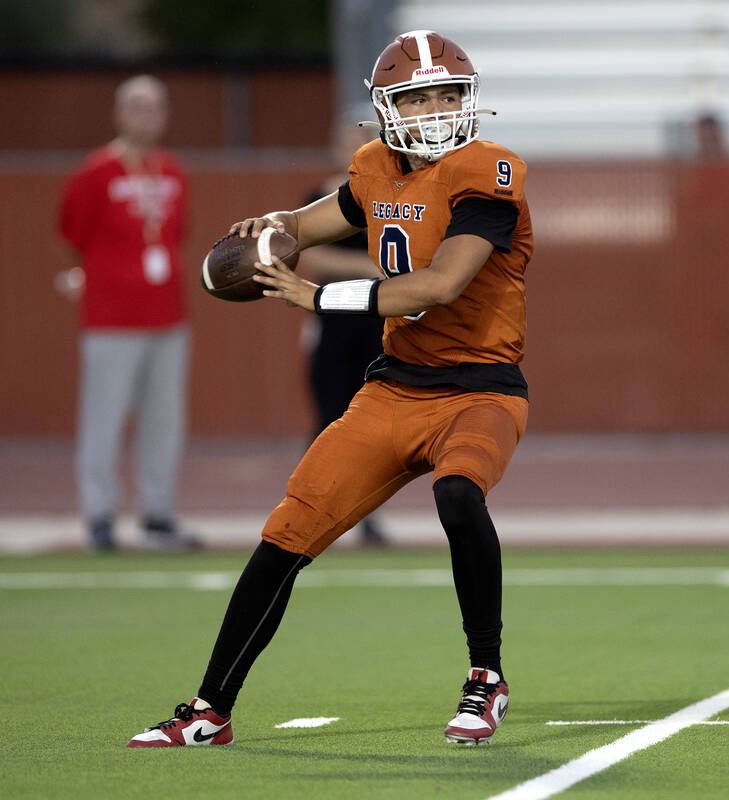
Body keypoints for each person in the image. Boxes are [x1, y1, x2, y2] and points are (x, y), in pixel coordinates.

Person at [127, 30, 533, 748]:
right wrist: (272, 230)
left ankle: (486, 678)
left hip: (481, 387)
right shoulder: (374, 166)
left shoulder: (488, 171)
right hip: (394, 390)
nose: (436, 108)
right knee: (287, 532)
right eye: (418, 96)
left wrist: (315, 297)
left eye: (448, 94)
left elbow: (439, 285)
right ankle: (209, 710)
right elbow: (312, 222)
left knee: (458, 492)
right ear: (387, 108)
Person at [57, 75, 198, 552]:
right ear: (118, 114)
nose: (148, 115)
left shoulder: (173, 171)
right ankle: (99, 516)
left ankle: (157, 514)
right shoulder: (95, 172)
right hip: (110, 319)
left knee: (164, 420)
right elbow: (72, 231)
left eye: (156, 107)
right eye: (137, 107)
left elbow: (177, 235)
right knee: (104, 418)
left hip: (168, 317)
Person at [299, 112, 389, 546]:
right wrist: (368, 269)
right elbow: (315, 260)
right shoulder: (321, 197)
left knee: (371, 424)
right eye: (348, 143)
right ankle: (308, 509)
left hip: (377, 324)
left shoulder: (390, 198)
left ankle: (365, 515)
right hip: (334, 321)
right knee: (329, 419)